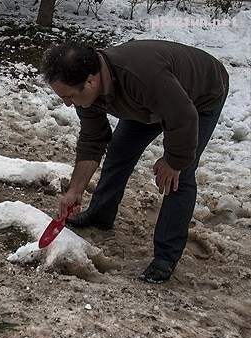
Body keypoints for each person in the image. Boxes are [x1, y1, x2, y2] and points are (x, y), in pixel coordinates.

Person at [40, 39, 229, 283]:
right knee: (119, 151)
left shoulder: (142, 76)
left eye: (69, 97)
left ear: (91, 81)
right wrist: (75, 190)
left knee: (178, 175)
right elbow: (93, 140)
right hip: (148, 102)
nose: (67, 103)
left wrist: (173, 160)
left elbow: (183, 117)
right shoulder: (85, 88)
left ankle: (165, 257)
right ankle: (100, 214)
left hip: (199, 98)